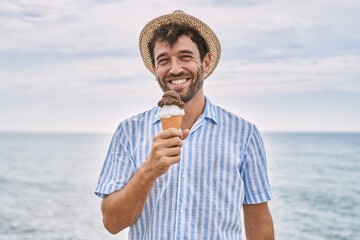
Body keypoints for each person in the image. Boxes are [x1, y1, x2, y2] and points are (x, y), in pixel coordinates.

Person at [95, 10, 274, 239]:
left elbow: (258, 221)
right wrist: (148, 171)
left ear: (206, 62)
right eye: (164, 60)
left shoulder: (244, 134)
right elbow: (112, 223)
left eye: (185, 56)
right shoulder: (128, 132)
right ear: (155, 70)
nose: (175, 68)